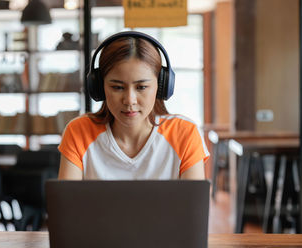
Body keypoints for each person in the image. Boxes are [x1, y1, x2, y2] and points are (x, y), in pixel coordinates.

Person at [58, 31, 209, 180]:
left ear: (161, 86)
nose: (130, 100)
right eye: (117, 87)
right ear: (99, 87)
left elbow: (194, 204)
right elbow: (65, 204)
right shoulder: (78, 132)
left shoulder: (184, 133)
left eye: (141, 87)